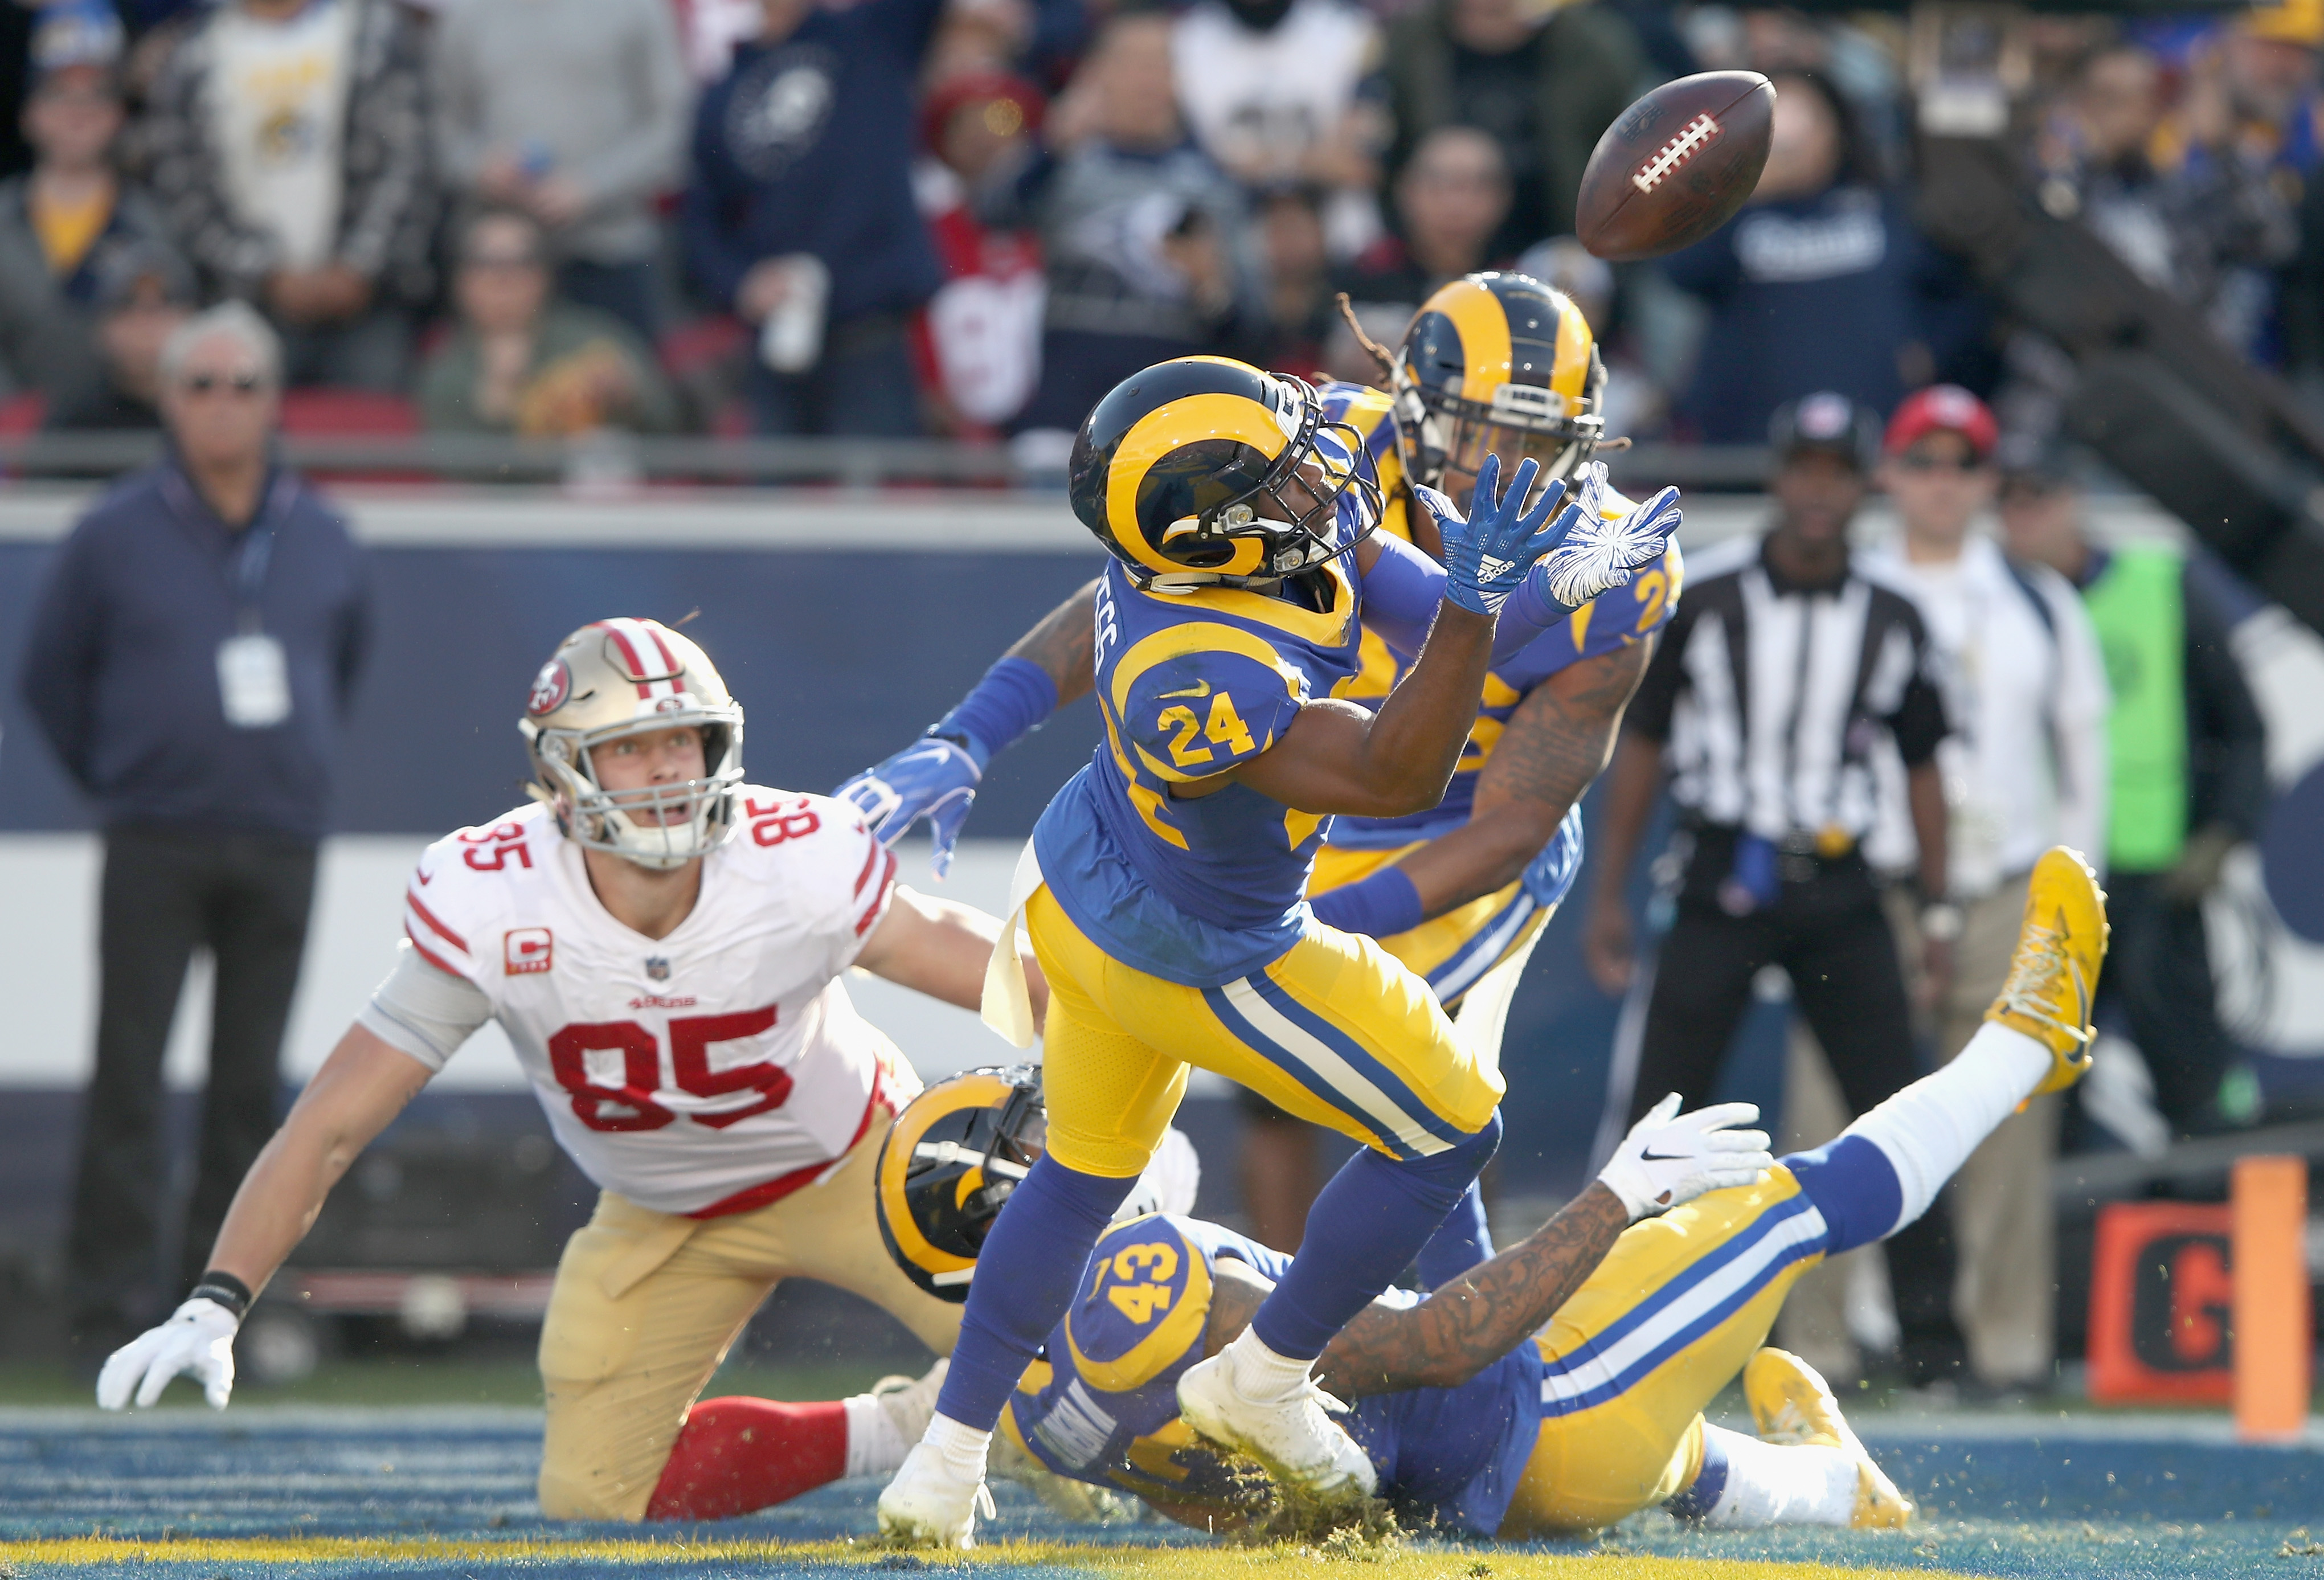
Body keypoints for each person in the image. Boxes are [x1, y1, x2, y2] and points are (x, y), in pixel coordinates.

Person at [672, 845, 2109, 1536]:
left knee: (1422, 1120)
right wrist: (1609, 1199)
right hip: (1523, 1416)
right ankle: (2021, 1047)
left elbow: (833, 1436)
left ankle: (1825, 1485)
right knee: (1775, 1202)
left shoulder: (995, 1397)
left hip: (1431, 1445)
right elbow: (1434, 1346)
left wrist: (640, 1471)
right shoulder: (1136, 1286)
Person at [861, 354, 1681, 1545]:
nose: (1327, 479)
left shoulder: (1234, 541)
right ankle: (1268, 1371)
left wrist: (1561, 582)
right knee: (1453, 1124)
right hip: (1196, 945)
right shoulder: (1194, 671)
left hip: (1087, 890)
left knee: (1081, 1174)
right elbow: (1398, 771)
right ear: (1214, 531)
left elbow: (1426, 604)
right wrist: (1478, 601)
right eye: (1289, 476)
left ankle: (942, 1464)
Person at [88, 617, 1053, 1524]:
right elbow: (331, 1123)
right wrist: (218, 1295)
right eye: (628, 746)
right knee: (597, 1490)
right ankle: (912, 1424)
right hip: (661, 1210)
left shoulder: (794, 857)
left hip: (863, 1168)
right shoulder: (493, 897)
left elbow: (997, 973)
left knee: (1087, 1379)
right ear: (560, 772)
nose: (664, 768)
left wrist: (1122, 1094)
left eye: (681, 738)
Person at [842, 273, 1680, 1261]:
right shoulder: (1330, 450)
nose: (1515, 464)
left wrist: (1323, 935)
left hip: (1453, 834)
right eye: (1491, 431)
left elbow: (1515, 818)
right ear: (1413, 408)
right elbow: (1137, 586)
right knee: (1275, 1094)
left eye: (1546, 440)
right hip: (1313, 803)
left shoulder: (1617, 564)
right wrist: (973, 729)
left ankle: (1446, 1335)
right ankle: (1290, 1317)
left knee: (1424, 1084)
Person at [1581, 391, 1966, 1386]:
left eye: (1838, 473)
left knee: (1897, 1100)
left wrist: (1937, 903)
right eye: (1805, 470)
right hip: (1721, 877)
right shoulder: (1705, 598)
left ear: (1859, 487)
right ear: (1781, 477)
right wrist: (1611, 891)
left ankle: (1933, 1337)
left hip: (1841, 887)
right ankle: (1596, 1309)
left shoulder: (1893, 615)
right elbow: (1644, 751)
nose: (1819, 492)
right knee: (1660, 1105)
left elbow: (1923, 766)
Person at [18, 303, 368, 1367]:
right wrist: (128, 778)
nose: (224, 404)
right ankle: (105, 1303)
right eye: (201, 383)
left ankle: (216, 1307)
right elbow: (47, 679)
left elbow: (340, 663)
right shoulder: (115, 529)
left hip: (279, 835)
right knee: (129, 1071)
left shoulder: (320, 531)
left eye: (245, 383)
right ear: (167, 399)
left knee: (249, 1085)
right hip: (154, 837)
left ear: (274, 400)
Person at [1856, 386, 2107, 1390]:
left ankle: (2006, 1342)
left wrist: (2072, 898)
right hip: (1871, 879)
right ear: (1891, 475)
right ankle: (1845, 1335)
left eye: (1963, 465)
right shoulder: (1854, 586)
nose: (1942, 483)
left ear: (1991, 483)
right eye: (1924, 461)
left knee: (2009, 1113)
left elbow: (2084, 751)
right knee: (1845, 1099)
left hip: (2006, 883)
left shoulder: (2039, 597)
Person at [2000, 448, 2269, 1133]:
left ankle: (2213, 1219)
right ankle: (2062, 1234)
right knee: (2042, 1094)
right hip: (2044, 890)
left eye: (2039, 497)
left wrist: (2222, 833)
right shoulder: (1994, 604)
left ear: (2074, 500)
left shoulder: (2161, 585)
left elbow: (2241, 725)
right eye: (2012, 502)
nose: (2025, 517)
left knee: (2195, 1078)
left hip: (2157, 881)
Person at [1662, 70, 1979, 443]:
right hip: (1753, 446)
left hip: (1879, 444)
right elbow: (1680, 270)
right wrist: (1742, 190)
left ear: (1835, 131)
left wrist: (1929, 352)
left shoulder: (1884, 207)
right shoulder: (1735, 217)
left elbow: (1962, 287)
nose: (1788, 140)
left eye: (1803, 119)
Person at [988, 12, 1260, 438]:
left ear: (1178, 79)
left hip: (1170, 425)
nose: (1144, 80)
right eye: (1130, 63)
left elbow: (1255, 327)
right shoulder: (1063, 166)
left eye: (1158, 64)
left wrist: (1212, 290)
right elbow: (991, 216)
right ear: (1096, 75)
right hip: (1064, 411)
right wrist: (1049, 147)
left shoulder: (1214, 187)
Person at [141, 0, 435, 392]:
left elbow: (410, 158)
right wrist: (266, 273)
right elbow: (182, 183)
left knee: (373, 433)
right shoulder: (193, 51)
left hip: (369, 300)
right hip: (249, 300)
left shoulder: (376, 33)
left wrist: (358, 266)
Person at [680, 0, 942, 437]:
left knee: (877, 497)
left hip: (870, 329)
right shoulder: (724, 89)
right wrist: (742, 283)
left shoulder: (871, 37)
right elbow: (701, 221)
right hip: (778, 342)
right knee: (772, 502)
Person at [432, 0, 690, 347]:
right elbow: (441, 132)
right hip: (502, 264)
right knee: (498, 397)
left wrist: (592, 188)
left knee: (617, 392)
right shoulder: (467, 15)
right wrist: (482, 169)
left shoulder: (637, 9)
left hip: (610, 252)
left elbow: (673, 126)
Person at [0, 10, 180, 420]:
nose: (78, 109)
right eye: (59, 92)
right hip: (13, 455)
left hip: (129, 443)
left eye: (97, 92)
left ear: (119, 114)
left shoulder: (161, 223)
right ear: (30, 113)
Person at [1378, 0, 1644, 260]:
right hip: (1425, 257)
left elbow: (1630, 144)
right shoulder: (1411, 40)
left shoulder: (1592, 44)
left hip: (1562, 247)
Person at [418, 208, 680, 437]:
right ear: (461, 282)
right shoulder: (444, 364)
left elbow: (673, 427)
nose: (503, 279)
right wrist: (497, 410)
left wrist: (629, 400)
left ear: (544, 276)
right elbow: (451, 469)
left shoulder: (595, 337)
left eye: (520, 263)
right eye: (485, 263)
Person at [1169, 0, 1385, 258]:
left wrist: (1251, 164)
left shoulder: (1348, 29)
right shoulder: (1184, 38)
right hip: (1224, 252)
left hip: (1343, 246)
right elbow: (1182, 172)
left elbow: (1361, 166)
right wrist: (1312, 161)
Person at [1333, 126, 1512, 319]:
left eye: (1475, 188)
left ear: (1503, 198)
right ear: (1406, 191)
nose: (1455, 206)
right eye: (1438, 187)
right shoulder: (1363, 279)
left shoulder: (1515, 285)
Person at [45, 237, 195, 429]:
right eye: (128, 302)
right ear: (101, 326)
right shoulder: (75, 426)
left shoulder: (220, 406)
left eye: (165, 300)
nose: (147, 321)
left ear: (192, 315)